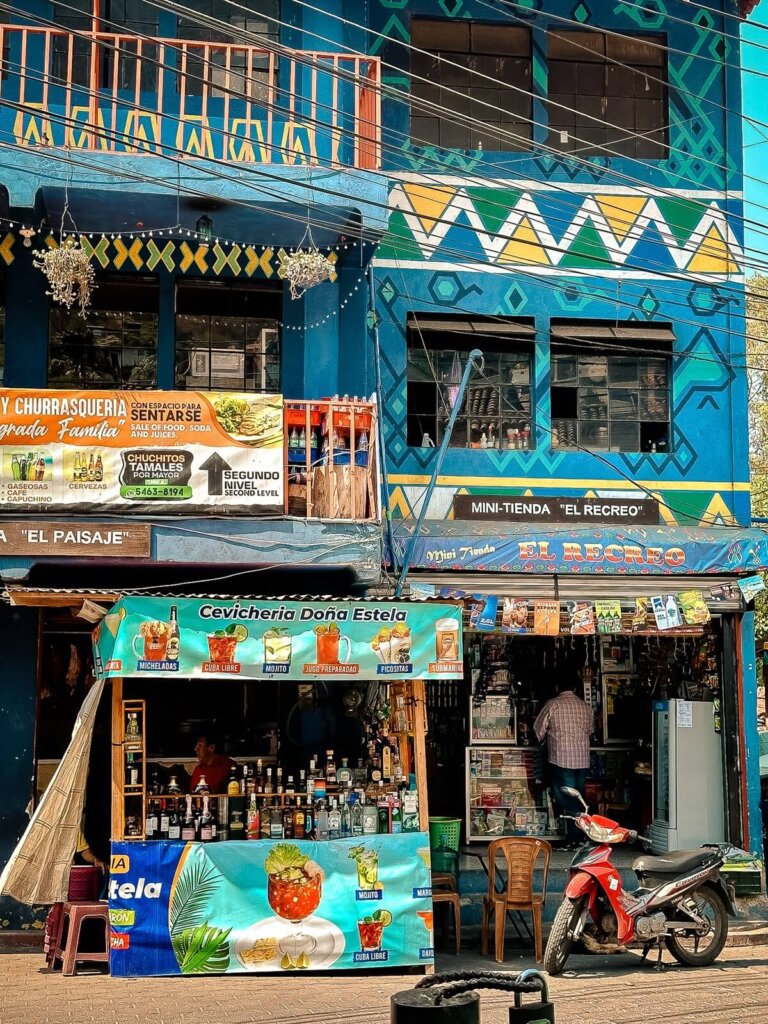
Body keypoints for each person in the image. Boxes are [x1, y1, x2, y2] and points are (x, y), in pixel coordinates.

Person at [534, 672, 594, 846]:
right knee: (579, 797)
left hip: (562, 758)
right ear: (575, 688)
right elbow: (590, 730)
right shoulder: (585, 706)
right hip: (582, 759)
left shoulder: (553, 705)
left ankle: (574, 838)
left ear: (556, 688)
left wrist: (545, 739)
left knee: (565, 798)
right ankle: (581, 835)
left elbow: (538, 730)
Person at [190, 730, 236, 794]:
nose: (195, 749)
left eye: (200, 745)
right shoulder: (198, 769)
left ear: (211, 747)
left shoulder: (227, 766)